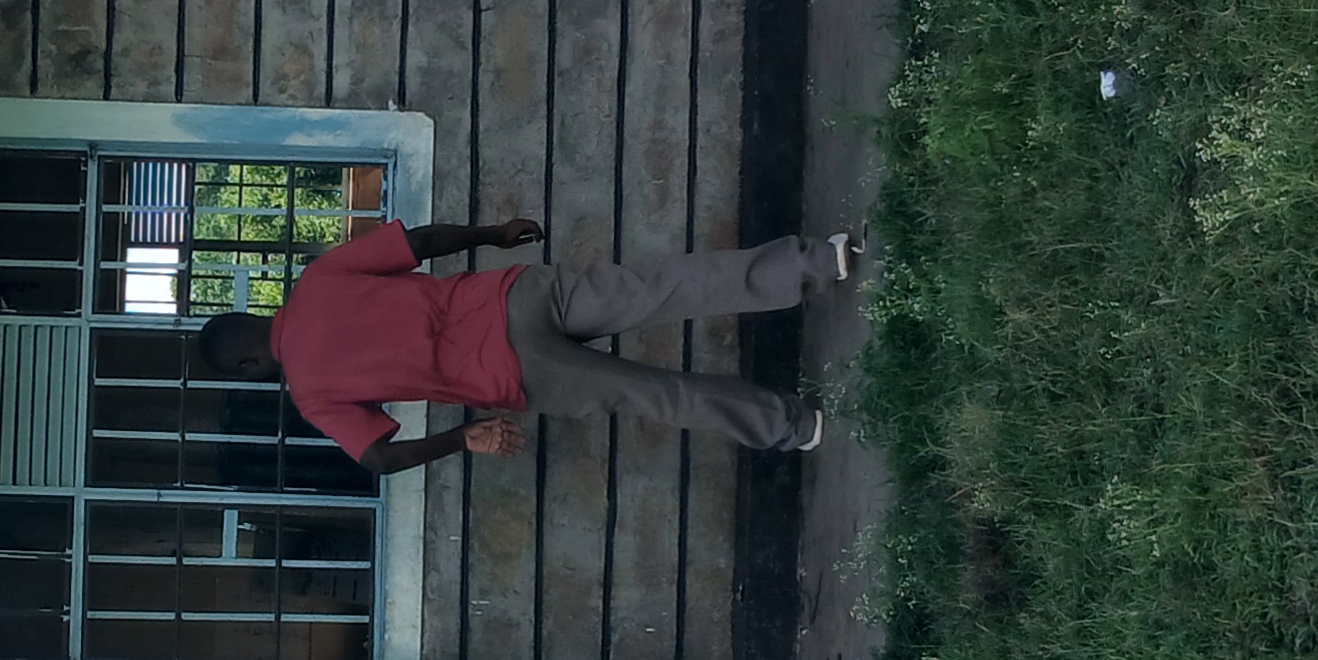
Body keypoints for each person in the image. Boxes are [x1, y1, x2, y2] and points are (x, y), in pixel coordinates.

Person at [196, 215, 860, 472]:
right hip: (513, 294)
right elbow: (420, 244)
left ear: (253, 364)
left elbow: (375, 456)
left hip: (516, 374)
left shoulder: (312, 394)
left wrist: (464, 438)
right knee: (666, 285)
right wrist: (491, 233)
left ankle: (795, 425)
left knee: (659, 395)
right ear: (251, 314)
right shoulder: (318, 280)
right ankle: (816, 262)